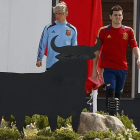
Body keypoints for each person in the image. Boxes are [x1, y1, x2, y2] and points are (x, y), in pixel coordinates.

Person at [92, 5, 140, 115]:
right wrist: (95, 69)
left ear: (122, 16)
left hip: (122, 67)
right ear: (110, 16)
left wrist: (138, 58)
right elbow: (97, 50)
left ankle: (115, 117)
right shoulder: (103, 31)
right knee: (111, 91)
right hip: (108, 67)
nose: (118, 17)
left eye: (120, 15)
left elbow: (134, 46)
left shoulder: (128, 31)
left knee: (118, 94)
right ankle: (110, 116)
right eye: (115, 15)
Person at [36, 1, 77, 70]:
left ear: (66, 13)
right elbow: (42, 44)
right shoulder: (48, 28)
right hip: (51, 65)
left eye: (60, 13)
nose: (57, 16)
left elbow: (74, 48)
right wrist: (39, 59)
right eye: (56, 13)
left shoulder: (72, 29)